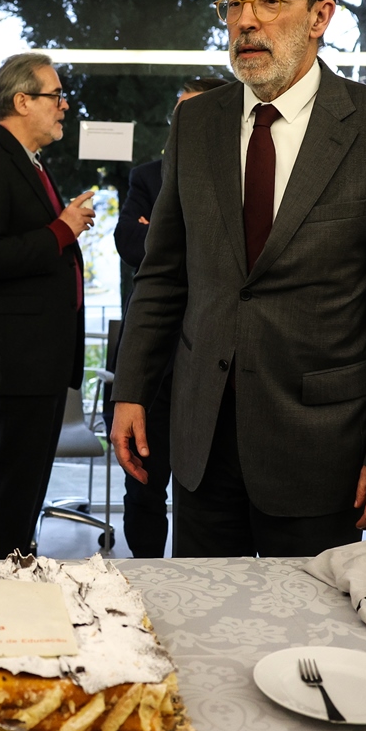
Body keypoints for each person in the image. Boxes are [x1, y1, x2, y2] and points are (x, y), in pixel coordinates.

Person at [110, 0, 366, 558]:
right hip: (202, 438)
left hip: (322, 448)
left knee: (310, 641)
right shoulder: (196, 123)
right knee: (206, 629)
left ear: (322, 16)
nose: (246, 20)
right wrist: (131, 390)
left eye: (270, 1)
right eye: (234, 3)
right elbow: (163, 277)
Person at [0, 52, 95, 558]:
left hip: (44, 361)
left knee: (25, 492)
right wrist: (62, 229)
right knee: (9, 493)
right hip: (17, 363)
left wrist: (63, 224)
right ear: (21, 101)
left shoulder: (32, 165)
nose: (63, 106)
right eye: (55, 96)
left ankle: (13, 581)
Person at [112, 76, 228, 557]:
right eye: (177, 114)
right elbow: (129, 243)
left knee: (210, 495)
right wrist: (194, 248)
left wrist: (163, 237)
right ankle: (144, 576)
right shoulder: (148, 176)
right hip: (155, 367)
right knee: (144, 487)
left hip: (213, 361)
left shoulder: (240, 180)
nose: (183, 124)